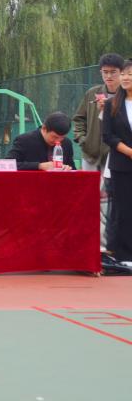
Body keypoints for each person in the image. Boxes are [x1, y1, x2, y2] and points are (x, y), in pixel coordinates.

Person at [73, 53, 124, 252]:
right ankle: (89, 243)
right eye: (105, 72)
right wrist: (82, 139)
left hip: (115, 156)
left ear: (122, 73)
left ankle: (107, 246)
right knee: (89, 199)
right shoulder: (93, 93)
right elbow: (79, 118)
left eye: (113, 72)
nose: (109, 76)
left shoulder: (126, 96)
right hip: (91, 154)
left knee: (110, 202)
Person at [102, 59, 132, 262]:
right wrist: (129, 152)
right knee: (123, 210)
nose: (125, 78)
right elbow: (108, 136)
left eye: (130, 74)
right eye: (123, 74)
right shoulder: (111, 104)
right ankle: (124, 254)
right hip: (121, 165)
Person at [5, 112, 76, 171]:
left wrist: (67, 168)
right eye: (55, 137)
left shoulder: (67, 143)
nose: (58, 141)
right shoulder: (24, 140)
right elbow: (7, 164)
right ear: (44, 128)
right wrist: (39, 166)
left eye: (62, 137)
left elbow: (72, 168)